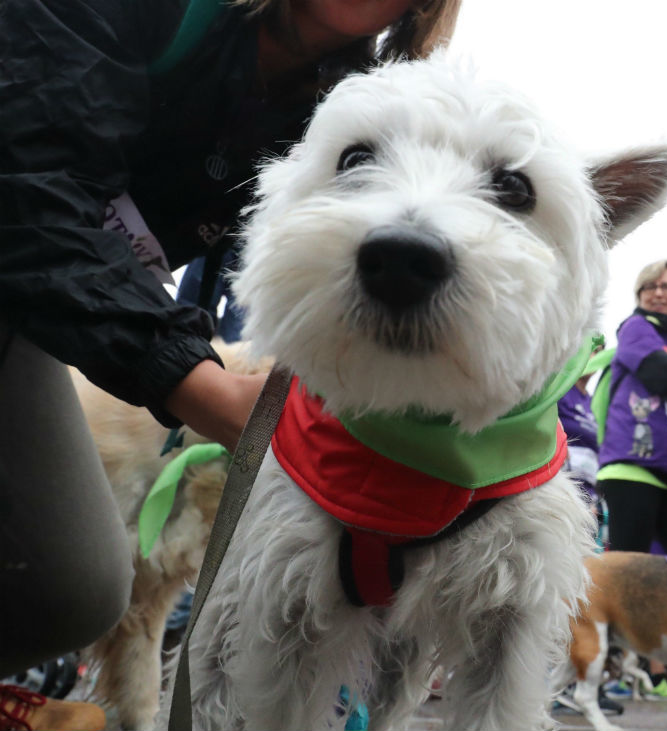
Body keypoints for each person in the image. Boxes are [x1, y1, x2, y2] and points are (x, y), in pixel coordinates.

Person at [0, 0, 462, 722]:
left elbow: (283, 273)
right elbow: (26, 189)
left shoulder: (351, 103)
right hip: (38, 273)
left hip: (38, 316)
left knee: (74, 589)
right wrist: (205, 387)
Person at [596, 259, 667, 558]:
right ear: (639, 295)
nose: (658, 293)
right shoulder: (635, 328)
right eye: (650, 286)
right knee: (631, 570)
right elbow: (659, 373)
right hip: (632, 467)